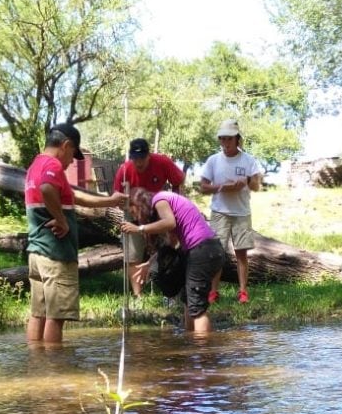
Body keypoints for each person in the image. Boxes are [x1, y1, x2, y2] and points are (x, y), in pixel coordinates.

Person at [24, 123, 127, 343]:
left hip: (37, 252)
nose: (72, 160)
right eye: (73, 154)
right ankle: (56, 371)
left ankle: (36, 367)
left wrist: (110, 200)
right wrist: (61, 220)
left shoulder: (36, 164)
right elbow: (47, 189)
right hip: (56, 254)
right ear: (66, 145)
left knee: (38, 314)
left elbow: (74, 196)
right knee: (56, 317)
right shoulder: (52, 165)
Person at [120, 187, 224, 334]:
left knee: (197, 309)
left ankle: (203, 353)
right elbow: (172, 244)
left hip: (203, 250)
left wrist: (139, 229)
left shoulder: (160, 199)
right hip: (205, 250)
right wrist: (149, 263)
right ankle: (191, 344)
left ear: (137, 204)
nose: (136, 218)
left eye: (133, 212)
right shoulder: (165, 204)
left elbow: (170, 223)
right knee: (188, 300)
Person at [199, 120, 263, 304]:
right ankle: (213, 291)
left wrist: (247, 181)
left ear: (237, 140)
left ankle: (243, 291)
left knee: (241, 252)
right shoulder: (213, 160)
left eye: (229, 139)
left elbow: (256, 186)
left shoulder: (249, 160)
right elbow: (203, 187)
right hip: (219, 211)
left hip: (241, 212)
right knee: (217, 252)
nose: (225, 143)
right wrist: (221, 187)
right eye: (222, 139)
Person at [112, 138, 185, 296]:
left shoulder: (162, 162)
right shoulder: (124, 170)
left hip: (159, 209)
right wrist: (133, 210)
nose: (139, 163)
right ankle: (138, 296)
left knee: (169, 248)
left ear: (149, 155)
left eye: (142, 158)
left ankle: (170, 291)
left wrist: (176, 204)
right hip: (133, 211)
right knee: (133, 254)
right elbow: (117, 198)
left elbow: (178, 180)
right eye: (135, 159)